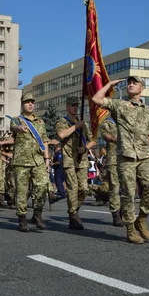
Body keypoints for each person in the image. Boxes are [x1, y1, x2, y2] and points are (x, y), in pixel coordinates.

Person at [92, 76, 149, 245]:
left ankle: (141, 219)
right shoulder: (119, 105)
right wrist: (109, 84)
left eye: (134, 83)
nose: (130, 84)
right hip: (126, 156)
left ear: (141, 88)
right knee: (128, 193)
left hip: (145, 155)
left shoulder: (147, 111)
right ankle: (130, 228)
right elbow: (96, 99)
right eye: (129, 82)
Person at [11, 92, 51, 232]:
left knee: (42, 187)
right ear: (22, 104)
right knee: (22, 191)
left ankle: (37, 215)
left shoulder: (40, 122)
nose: (30, 104)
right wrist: (19, 128)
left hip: (38, 160)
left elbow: (45, 140)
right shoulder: (16, 119)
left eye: (32, 102)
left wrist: (47, 158)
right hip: (21, 161)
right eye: (27, 102)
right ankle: (22, 219)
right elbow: (14, 128)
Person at [56, 96, 96, 230]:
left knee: (84, 189)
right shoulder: (63, 121)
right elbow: (61, 135)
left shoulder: (82, 123)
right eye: (72, 105)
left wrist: (85, 148)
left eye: (76, 105)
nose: (75, 107)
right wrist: (75, 127)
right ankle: (73, 215)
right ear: (67, 107)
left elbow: (93, 140)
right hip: (69, 160)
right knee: (73, 189)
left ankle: (74, 210)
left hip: (82, 160)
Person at [100, 117, 122, 226]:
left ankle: (124, 211)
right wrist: (120, 139)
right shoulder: (107, 123)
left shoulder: (125, 120)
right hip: (113, 159)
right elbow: (106, 136)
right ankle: (116, 214)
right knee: (114, 187)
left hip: (127, 159)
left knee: (128, 187)